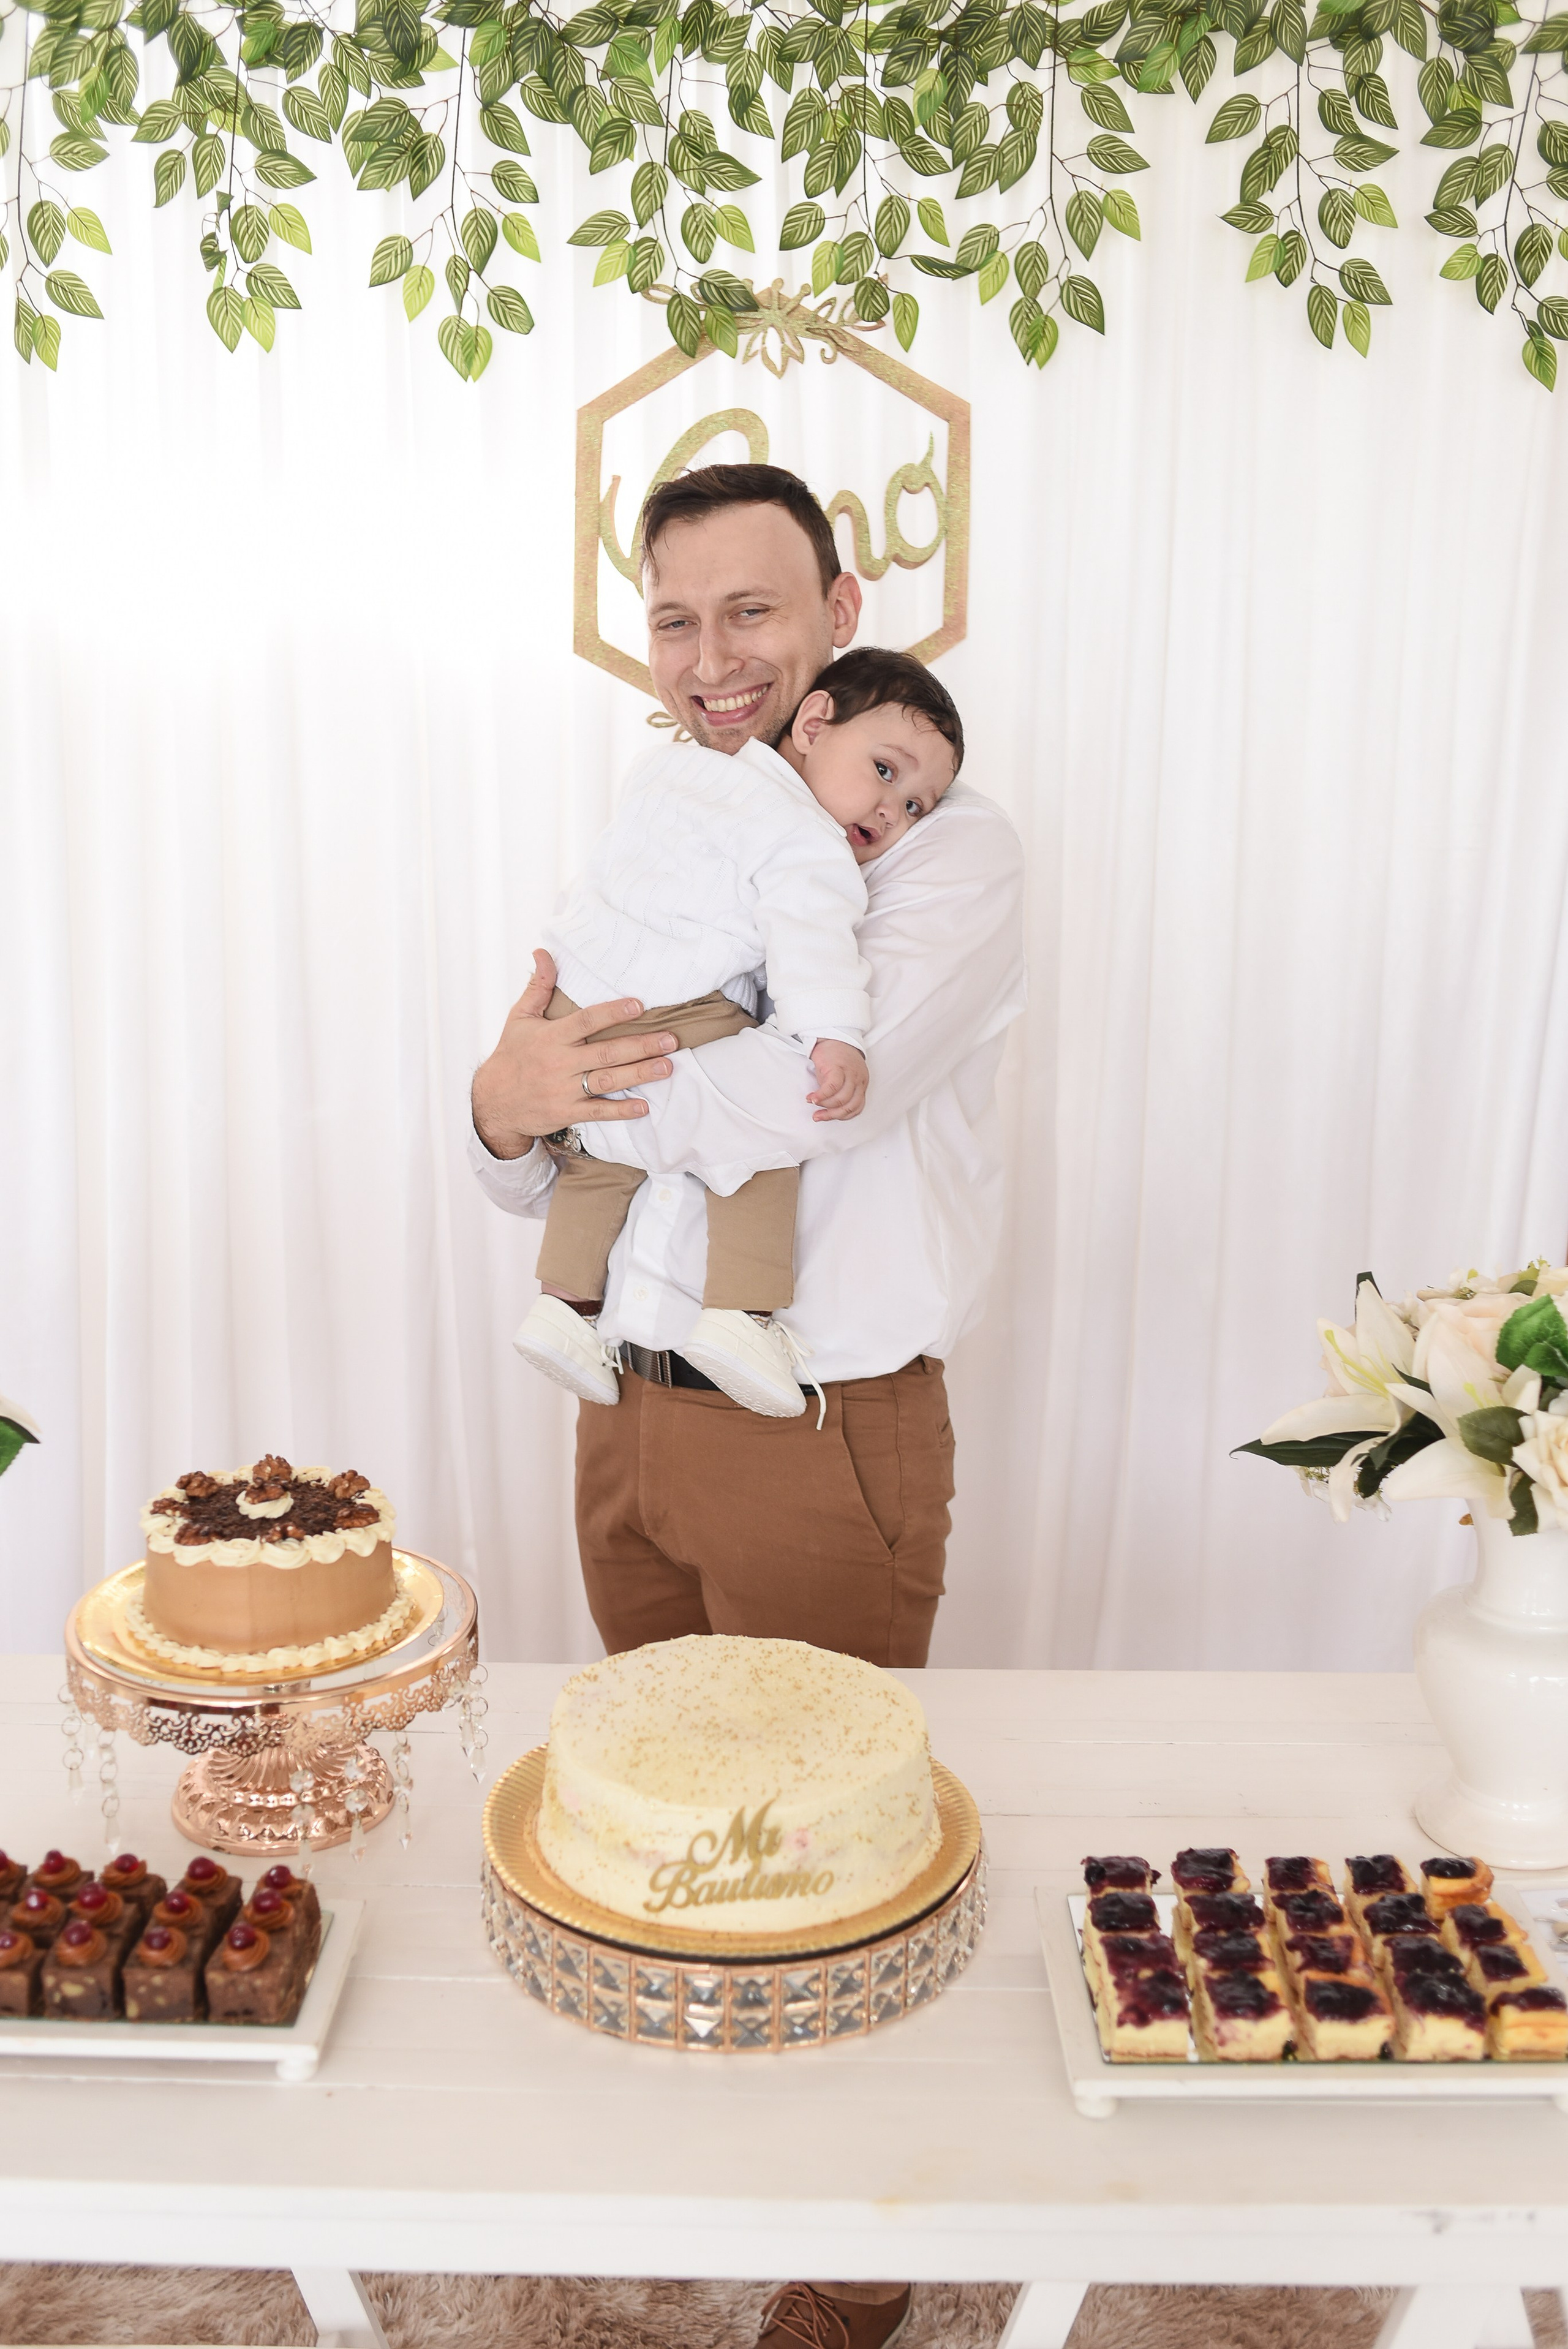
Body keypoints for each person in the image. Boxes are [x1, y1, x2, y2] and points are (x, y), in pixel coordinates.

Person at [470, 463, 1023, 2349]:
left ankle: (856, 2269)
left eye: (755, 610)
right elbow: (523, 1144)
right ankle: (709, 2158)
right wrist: (501, 1100)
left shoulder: (941, 848)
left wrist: (575, 1072)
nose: (713, 655)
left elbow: (811, 1100)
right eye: (677, 618)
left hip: (814, 1422)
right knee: (669, 1832)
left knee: (826, 1851)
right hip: (623, 1397)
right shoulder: (680, 823)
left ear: (839, 615)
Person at [511, 644, 965, 1419]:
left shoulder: (667, 768)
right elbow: (812, 945)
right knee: (758, 1152)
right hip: (669, 1010)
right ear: (813, 725)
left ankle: (563, 1307)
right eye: (886, 770)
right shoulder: (806, 839)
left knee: (596, 1166)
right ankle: (739, 1316)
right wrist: (834, 1036)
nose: (892, 810)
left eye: (917, 806)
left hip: (573, 1000)